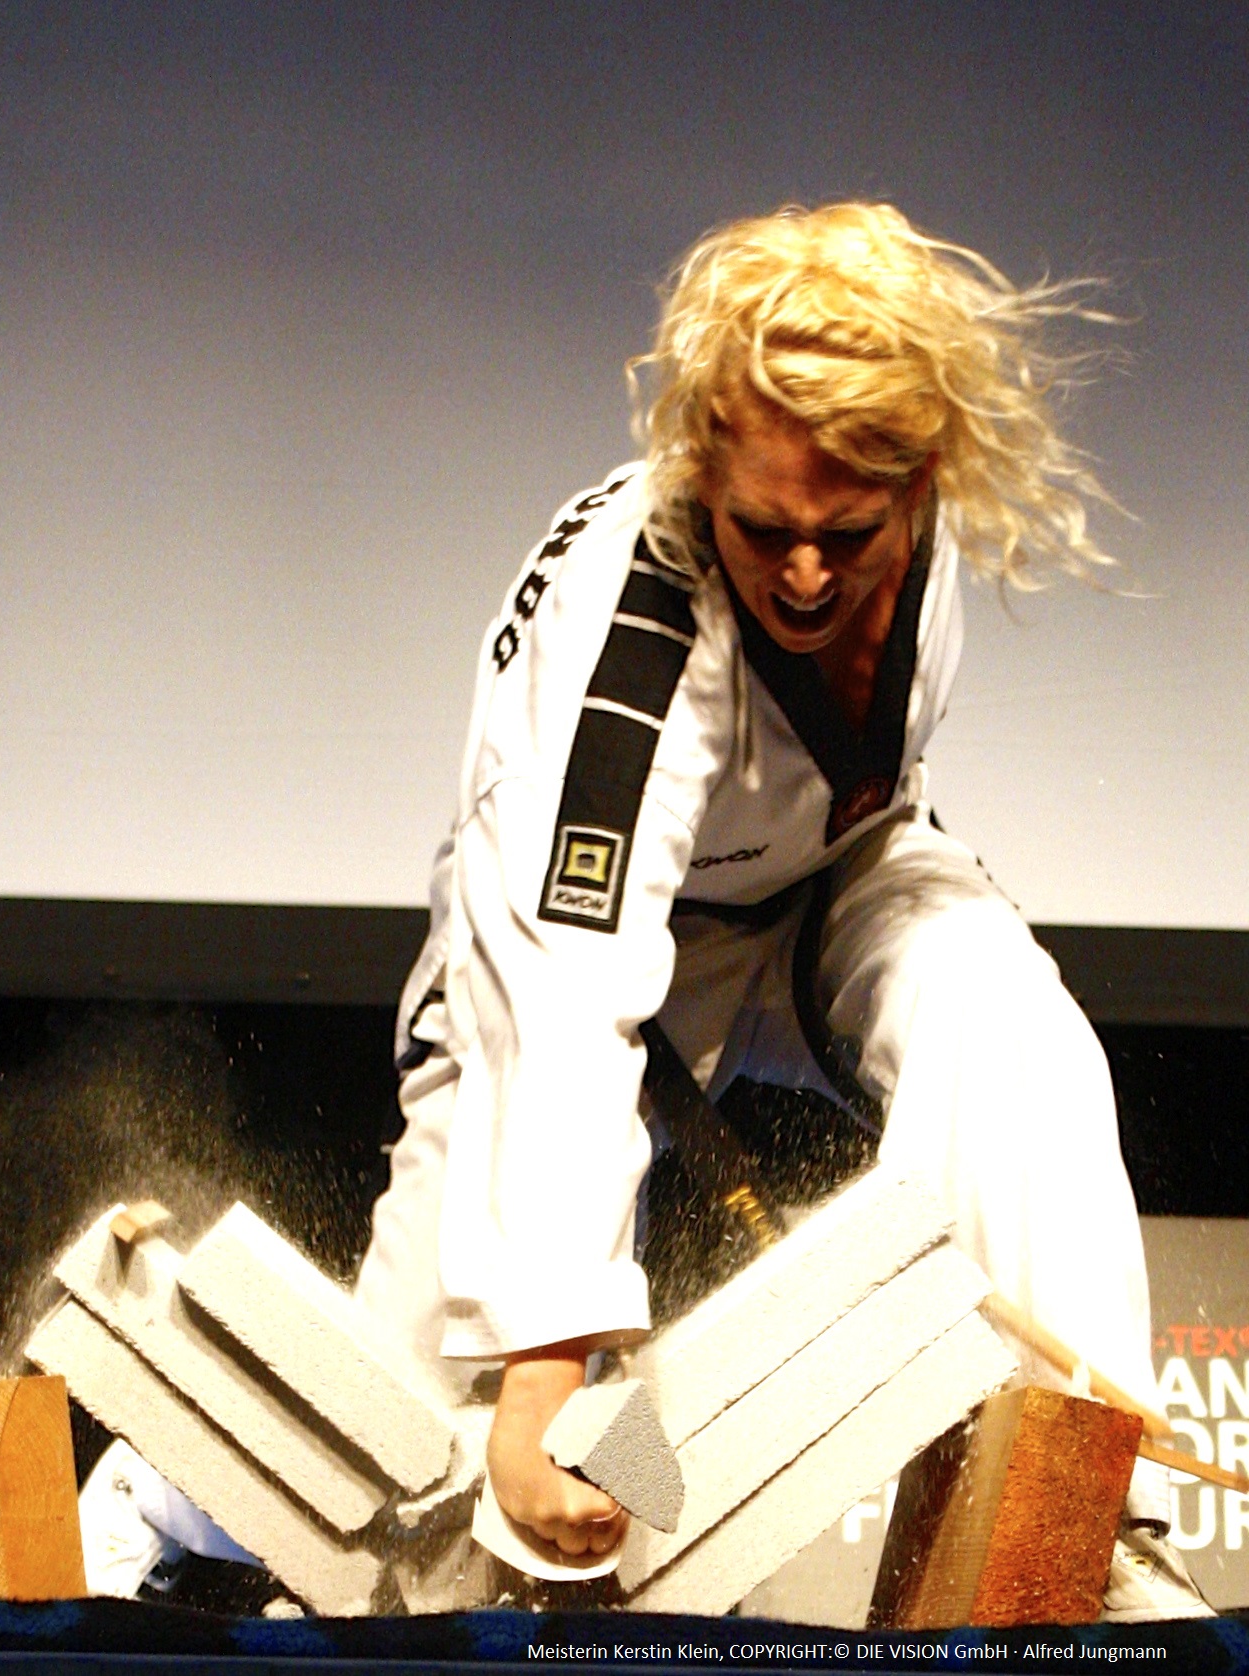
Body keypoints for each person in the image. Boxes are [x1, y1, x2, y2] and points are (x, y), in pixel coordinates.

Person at [354, 203, 1207, 1617]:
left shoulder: (911, 512)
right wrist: (545, 1372)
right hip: (553, 956)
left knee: (1009, 1021)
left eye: (846, 535)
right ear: (703, 473)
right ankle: (171, 1518)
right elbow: (562, 987)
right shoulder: (630, 654)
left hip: (832, 885)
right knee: (394, 1429)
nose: (806, 574)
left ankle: (1083, 1523)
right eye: (765, 531)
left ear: (920, 480)